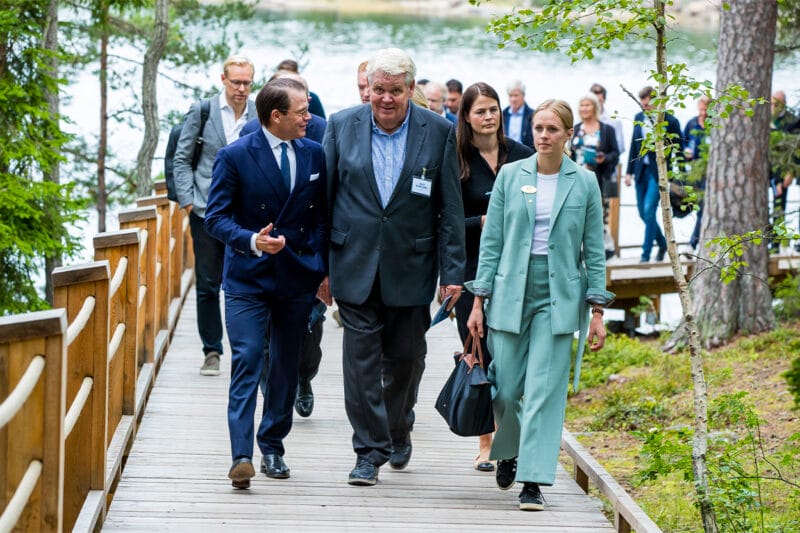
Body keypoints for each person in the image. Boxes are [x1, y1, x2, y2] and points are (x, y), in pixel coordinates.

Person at [323, 47, 465, 486]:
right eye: (377, 89)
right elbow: (324, 202)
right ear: (368, 89)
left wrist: (453, 273)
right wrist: (320, 269)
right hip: (354, 264)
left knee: (406, 359)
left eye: (395, 91)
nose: (385, 98)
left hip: (412, 266)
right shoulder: (341, 125)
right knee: (360, 364)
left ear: (410, 90)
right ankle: (368, 452)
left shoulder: (438, 131)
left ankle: (397, 424)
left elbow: (449, 208)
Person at [466, 99, 614, 512]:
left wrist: (597, 309)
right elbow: (491, 242)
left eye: (552, 129)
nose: (543, 136)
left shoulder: (584, 182)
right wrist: (478, 301)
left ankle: (533, 478)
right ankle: (509, 449)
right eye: (538, 128)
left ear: (569, 134)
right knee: (507, 385)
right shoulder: (512, 176)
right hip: (511, 289)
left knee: (546, 390)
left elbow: (594, 250)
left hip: (559, 294)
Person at [204, 77, 329, 489]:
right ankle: (241, 454)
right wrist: (252, 240)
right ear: (276, 116)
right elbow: (215, 218)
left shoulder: (314, 154)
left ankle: (272, 446)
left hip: (297, 277)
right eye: (302, 111)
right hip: (246, 278)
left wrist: (321, 267)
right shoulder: (235, 155)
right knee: (248, 359)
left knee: (284, 367)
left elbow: (321, 217)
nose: (309, 118)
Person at [454, 82, 533, 473]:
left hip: (517, 271)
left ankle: (508, 438)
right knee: (480, 355)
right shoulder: (456, 160)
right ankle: (486, 441)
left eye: (494, 109)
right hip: (471, 272)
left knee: (511, 360)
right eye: (481, 110)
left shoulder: (522, 156)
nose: (489, 116)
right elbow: (445, 221)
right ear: (467, 117)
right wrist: (482, 222)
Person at [173, 55, 257, 376]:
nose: (241, 88)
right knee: (208, 283)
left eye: (247, 82)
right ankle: (212, 349)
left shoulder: (256, 112)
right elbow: (182, 158)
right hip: (206, 209)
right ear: (223, 79)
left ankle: (246, 347)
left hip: (244, 213)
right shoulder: (203, 110)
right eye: (236, 82)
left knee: (243, 282)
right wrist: (188, 201)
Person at [624, 85, 684, 263]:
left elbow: (678, 150)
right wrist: (628, 172)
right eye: (642, 100)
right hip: (640, 171)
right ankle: (663, 243)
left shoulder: (670, 121)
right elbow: (634, 147)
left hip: (659, 172)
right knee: (642, 213)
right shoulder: (638, 118)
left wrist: (680, 174)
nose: (645, 104)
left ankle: (645, 255)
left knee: (650, 211)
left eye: (648, 100)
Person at [570, 93, 620, 259]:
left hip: (598, 179)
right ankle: (579, 250)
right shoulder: (576, 129)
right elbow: (569, 153)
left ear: (595, 107)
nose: (584, 109)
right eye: (581, 105)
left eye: (587, 105)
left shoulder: (606, 130)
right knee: (577, 215)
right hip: (576, 179)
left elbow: (615, 153)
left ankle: (604, 249)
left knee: (598, 216)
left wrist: (604, 158)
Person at [769, 90, 800, 253]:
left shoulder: (792, 121)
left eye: (777, 104)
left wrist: (791, 172)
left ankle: (776, 243)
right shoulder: (766, 119)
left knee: (779, 204)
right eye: (772, 103)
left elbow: (795, 149)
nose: (774, 107)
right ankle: (762, 238)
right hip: (767, 169)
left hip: (783, 170)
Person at [683, 95, 710, 251]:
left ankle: (693, 244)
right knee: (696, 207)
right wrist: (686, 155)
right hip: (694, 171)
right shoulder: (692, 124)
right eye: (701, 110)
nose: (703, 113)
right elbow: (684, 143)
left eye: (706, 110)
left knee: (702, 207)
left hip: (709, 173)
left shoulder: (715, 125)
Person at [502, 80, 534, 149]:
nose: (513, 99)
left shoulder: (532, 115)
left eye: (516, 95)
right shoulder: (503, 114)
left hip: (526, 153)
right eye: (511, 96)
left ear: (523, 95)